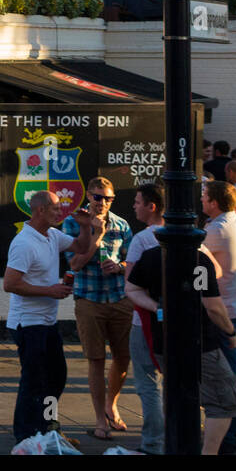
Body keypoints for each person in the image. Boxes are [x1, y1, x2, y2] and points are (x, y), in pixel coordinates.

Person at [126, 241, 236, 455]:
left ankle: (177, 448)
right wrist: (231, 332)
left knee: (179, 399)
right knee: (225, 402)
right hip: (200, 344)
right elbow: (213, 306)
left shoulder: (151, 256)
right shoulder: (199, 260)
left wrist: (157, 307)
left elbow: (131, 288)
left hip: (164, 342)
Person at [3, 189, 101, 443]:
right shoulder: (24, 243)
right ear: (40, 210)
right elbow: (10, 284)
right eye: (56, 208)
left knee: (56, 377)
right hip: (28, 323)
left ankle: (48, 430)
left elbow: (81, 247)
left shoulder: (52, 235)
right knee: (34, 381)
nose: (61, 212)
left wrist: (85, 227)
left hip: (47, 322)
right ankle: (26, 436)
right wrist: (50, 290)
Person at [61, 176, 133, 441]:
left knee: (123, 358)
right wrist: (97, 235)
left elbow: (130, 261)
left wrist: (120, 266)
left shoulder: (122, 224)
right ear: (88, 196)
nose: (103, 202)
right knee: (96, 360)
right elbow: (76, 264)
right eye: (98, 197)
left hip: (118, 296)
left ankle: (111, 403)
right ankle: (99, 419)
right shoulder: (72, 222)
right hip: (89, 298)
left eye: (109, 198)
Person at [199, 180, 236, 454]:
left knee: (226, 381)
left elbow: (193, 255)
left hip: (225, 313)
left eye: (205, 196)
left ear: (215, 202)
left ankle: (227, 441)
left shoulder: (215, 230)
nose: (202, 200)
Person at [123, 183, 167, 454]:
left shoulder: (142, 240)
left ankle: (153, 443)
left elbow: (131, 284)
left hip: (146, 321)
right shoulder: (188, 235)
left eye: (138, 202)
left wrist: (154, 306)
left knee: (148, 384)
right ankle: (176, 435)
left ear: (151, 206)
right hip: (178, 322)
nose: (134, 206)